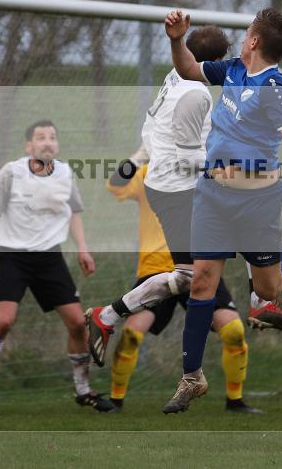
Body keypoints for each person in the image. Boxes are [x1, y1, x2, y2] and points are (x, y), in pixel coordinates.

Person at [86, 27, 282, 366]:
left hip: (168, 183)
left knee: (209, 253)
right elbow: (190, 158)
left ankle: (260, 299)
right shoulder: (197, 96)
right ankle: (107, 316)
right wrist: (230, 167)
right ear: (213, 61)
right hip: (177, 188)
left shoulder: (176, 77)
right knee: (191, 270)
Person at [160, 7, 282, 414]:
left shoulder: (274, 88)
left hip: (257, 204)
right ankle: (192, 378)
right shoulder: (231, 69)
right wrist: (177, 41)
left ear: (254, 41)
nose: (243, 35)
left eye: (247, 31)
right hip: (213, 195)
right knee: (201, 282)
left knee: (268, 292)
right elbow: (188, 69)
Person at [0, 119, 114, 414]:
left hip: (49, 258)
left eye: (52, 137)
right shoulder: (12, 172)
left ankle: (83, 390)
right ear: (29, 146)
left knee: (77, 323)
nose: (47, 142)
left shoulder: (65, 173)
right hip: (13, 257)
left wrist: (83, 249)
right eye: (41, 137)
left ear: (57, 145)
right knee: (4, 321)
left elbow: (73, 212)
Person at [104, 154, 262, 413]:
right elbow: (115, 185)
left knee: (234, 331)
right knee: (131, 334)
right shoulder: (148, 173)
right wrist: (137, 157)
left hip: (201, 267)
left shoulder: (206, 173)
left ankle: (235, 401)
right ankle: (115, 400)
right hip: (156, 270)